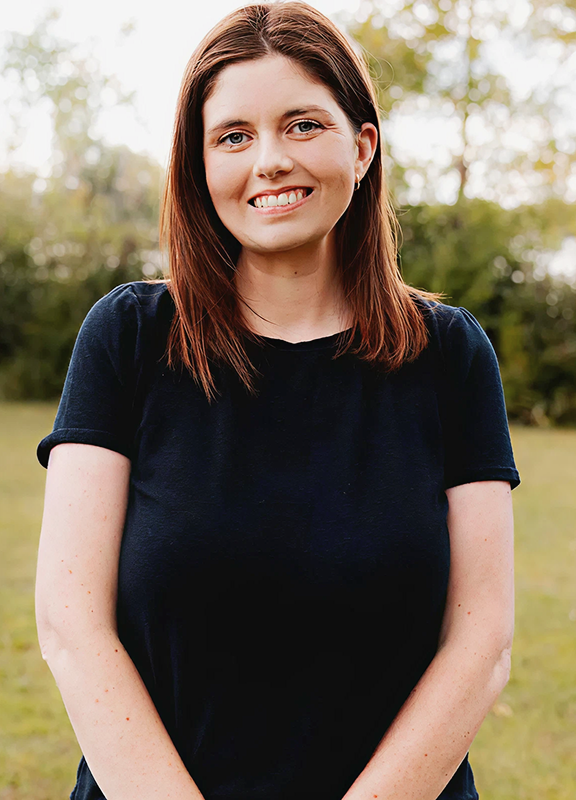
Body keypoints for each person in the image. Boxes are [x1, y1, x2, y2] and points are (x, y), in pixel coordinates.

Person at [35, 2, 520, 800]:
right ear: (199, 165)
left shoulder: (450, 354)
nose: (268, 160)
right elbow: (70, 623)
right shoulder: (127, 336)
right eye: (233, 135)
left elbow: (481, 643)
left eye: (302, 125)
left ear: (362, 147)